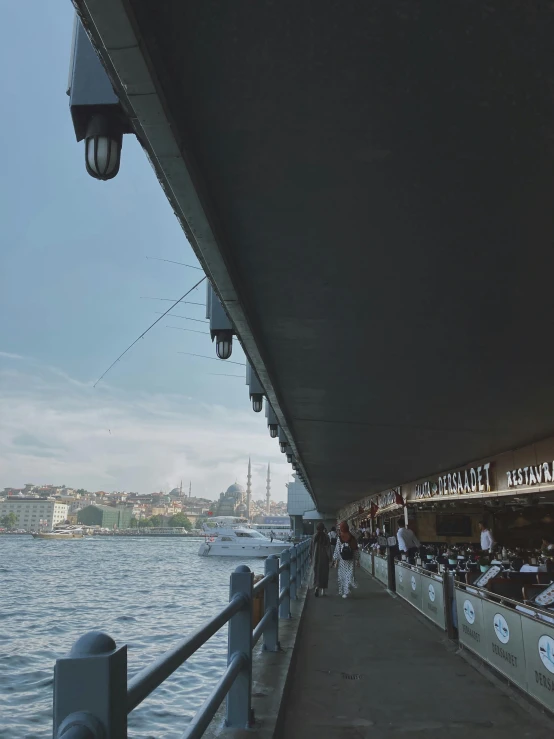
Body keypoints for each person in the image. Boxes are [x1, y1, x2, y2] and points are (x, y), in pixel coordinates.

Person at [333, 521, 360, 598]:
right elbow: (355, 549)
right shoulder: (352, 538)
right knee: (350, 574)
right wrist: (357, 560)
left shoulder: (339, 538)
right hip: (350, 560)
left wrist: (336, 561)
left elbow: (337, 551)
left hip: (342, 561)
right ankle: (347, 588)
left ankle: (345, 591)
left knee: (342, 575)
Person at [310, 522, 332, 597]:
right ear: (323, 528)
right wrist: (330, 558)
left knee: (316, 573)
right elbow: (328, 548)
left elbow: (311, 548)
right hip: (324, 558)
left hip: (316, 557)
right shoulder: (326, 537)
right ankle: (323, 591)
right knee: (324, 573)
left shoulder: (314, 536)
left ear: (316, 528)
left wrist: (311, 557)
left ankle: (316, 587)